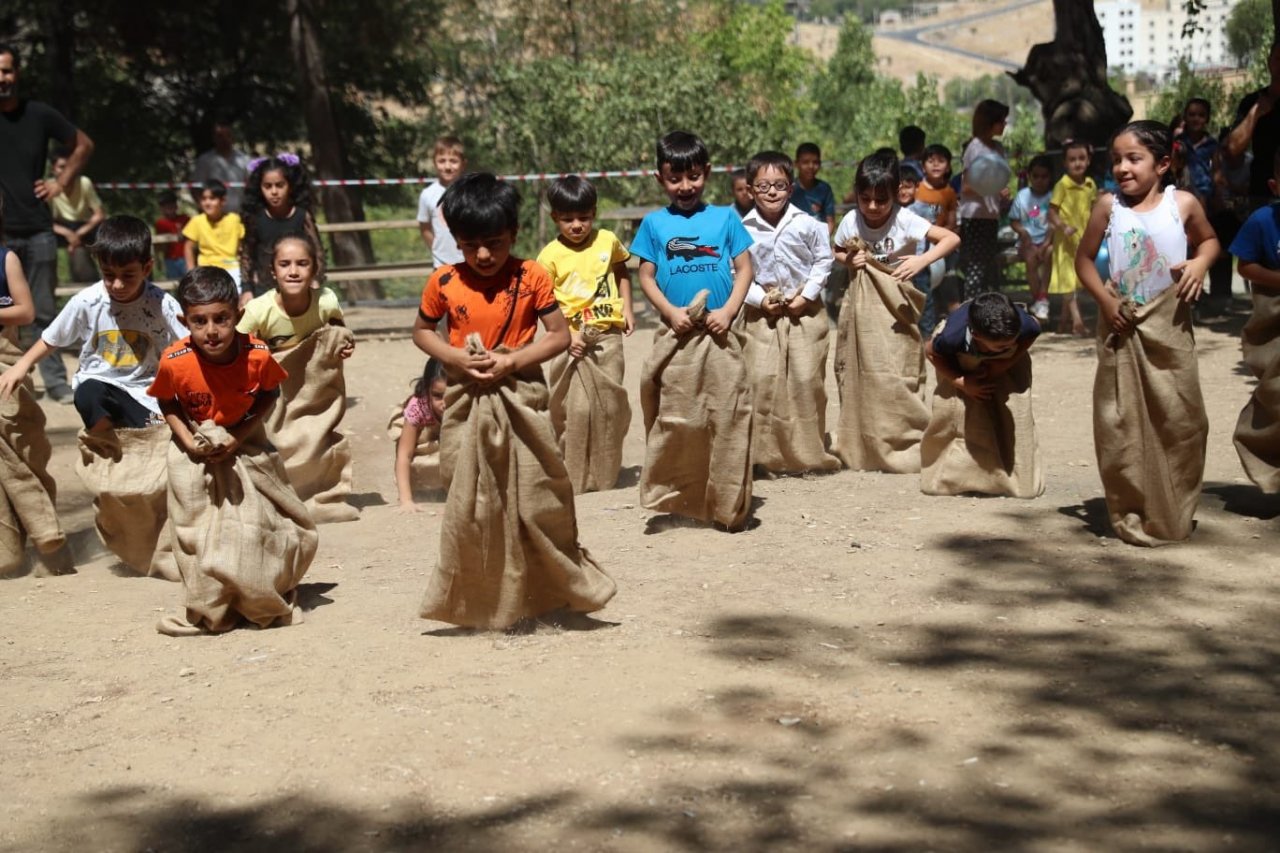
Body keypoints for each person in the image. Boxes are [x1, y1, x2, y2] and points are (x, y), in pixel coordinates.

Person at [413, 171, 614, 628]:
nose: (484, 255)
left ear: (515, 234)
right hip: (467, 398)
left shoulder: (532, 276)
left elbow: (559, 336)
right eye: (470, 245)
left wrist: (512, 361)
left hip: (523, 394)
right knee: (475, 503)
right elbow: (423, 332)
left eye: (496, 242)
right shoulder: (443, 282)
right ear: (454, 238)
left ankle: (552, 592)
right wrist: (457, 360)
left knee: (539, 495)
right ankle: (484, 603)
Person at [1075, 120, 1220, 546]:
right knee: (1120, 421)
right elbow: (1084, 261)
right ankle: (1130, 508)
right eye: (1116, 159)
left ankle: (1172, 510)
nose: (1122, 167)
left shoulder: (1184, 204)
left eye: (1133, 159)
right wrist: (1106, 303)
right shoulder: (1108, 207)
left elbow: (1209, 242)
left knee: (1181, 419)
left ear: (1163, 163)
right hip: (1121, 329)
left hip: (1170, 329)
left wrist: (1199, 263)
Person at [149, 266, 315, 635]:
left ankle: (260, 591)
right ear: (184, 320)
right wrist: (191, 443)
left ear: (238, 315)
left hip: (246, 442)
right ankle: (213, 605)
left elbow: (270, 393)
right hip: (192, 448)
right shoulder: (175, 361)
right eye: (200, 321)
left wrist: (237, 438)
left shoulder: (256, 354)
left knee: (259, 522)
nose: (211, 331)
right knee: (197, 529)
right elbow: (167, 402)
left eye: (221, 319)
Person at [631, 130, 755, 529]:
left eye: (694, 177)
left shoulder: (726, 218)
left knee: (728, 414)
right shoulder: (653, 225)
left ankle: (727, 503)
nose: (685, 186)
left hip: (721, 336)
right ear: (659, 178)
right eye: (674, 178)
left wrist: (730, 311)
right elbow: (645, 276)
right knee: (681, 417)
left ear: (707, 173)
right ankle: (682, 497)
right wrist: (669, 312)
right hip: (678, 337)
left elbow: (745, 269)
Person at [0, 215, 185, 431]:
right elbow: (52, 338)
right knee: (88, 393)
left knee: (157, 429)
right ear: (99, 266)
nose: (117, 284)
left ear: (146, 269)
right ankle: (102, 439)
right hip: (99, 381)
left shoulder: (163, 304)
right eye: (109, 275)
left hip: (145, 391)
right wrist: (21, 366)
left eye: (128, 276)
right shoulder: (87, 301)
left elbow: (188, 343)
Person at [0, 44, 94, 402]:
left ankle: (54, 382)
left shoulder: (37, 114)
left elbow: (83, 143)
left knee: (42, 310)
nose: (2, 78)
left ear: (17, 74)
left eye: (7, 70)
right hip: (0, 234)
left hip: (38, 228)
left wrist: (62, 181)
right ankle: (11, 379)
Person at [739, 149, 838, 474]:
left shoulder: (808, 224)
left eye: (779, 185)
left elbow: (824, 260)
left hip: (804, 313)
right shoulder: (741, 229)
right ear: (751, 189)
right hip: (761, 315)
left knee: (806, 379)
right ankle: (764, 456)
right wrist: (758, 299)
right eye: (763, 185)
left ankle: (807, 453)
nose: (771, 192)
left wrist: (807, 295)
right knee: (761, 379)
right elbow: (734, 271)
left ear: (791, 188)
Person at [1227, 147, 1280, 491]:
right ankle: (1268, 468)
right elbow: (1244, 265)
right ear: (1276, 186)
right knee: (1276, 393)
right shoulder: (1263, 220)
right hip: (1274, 324)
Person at [537, 175, 634, 350]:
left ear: (593, 213)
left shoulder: (607, 240)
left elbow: (621, 271)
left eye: (583, 218)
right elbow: (545, 301)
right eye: (567, 219)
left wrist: (627, 309)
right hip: (571, 336)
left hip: (609, 330)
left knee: (611, 377)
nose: (576, 225)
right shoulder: (548, 257)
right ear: (554, 217)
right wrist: (564, 334)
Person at [833, 150, 960, 278]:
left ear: (895, 192)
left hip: (899, 290)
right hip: (865, 291)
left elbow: (952, 239)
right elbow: (837, 251)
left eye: (881, 200)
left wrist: (922, 260)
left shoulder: (904, 219)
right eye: (865, 199)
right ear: (856, 192)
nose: (872, 206)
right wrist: (847, 260)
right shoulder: (851, 220)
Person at [237, 234, 350, 354]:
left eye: (302, 264)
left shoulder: (326, 302)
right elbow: (234, 348)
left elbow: (342, 335)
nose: (293, 272)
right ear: (273, 271)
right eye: (284, 264)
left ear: (314, 269)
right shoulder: (257, 310)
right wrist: (262, 349)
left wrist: (344, 346)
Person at [926, 291, 1041, 400]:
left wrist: (1008, 362)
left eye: (1013, 342)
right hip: (961, 354)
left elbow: (1035, 327)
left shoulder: (1023, 326)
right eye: (1002, 347)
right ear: (976, 336)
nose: (1010, 347)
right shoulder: (952, 338)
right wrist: (960, 382)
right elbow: (930, 351)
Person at [957, 99, 1011, 300]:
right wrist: (994, 190)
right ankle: (969, 310)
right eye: (1001, 120)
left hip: (991, 216)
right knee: (976, 266)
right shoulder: (975, 148)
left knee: (989, 265)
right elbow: (966, 186)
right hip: (975, 217)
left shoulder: (998, 148)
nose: (1004, 124)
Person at [1048, 140, 1096, 336]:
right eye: (1072, 159)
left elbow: (1094, 210)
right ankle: (1077, 322)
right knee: (1069, 280)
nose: (1077, 163)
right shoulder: (1062, 185)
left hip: (1083, 240)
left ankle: (1062, 324)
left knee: (1077, 280)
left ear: (1088, 160)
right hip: (1065, 242)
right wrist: (1063, 227)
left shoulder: (1091, 184)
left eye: (1081, 158)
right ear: (1065, 163)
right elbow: (1051, 212)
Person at [1226, 41, 1280, 213]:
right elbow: (1232, 149)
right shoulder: (1252, 102)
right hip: (1262, 196)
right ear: (1269, 62)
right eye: (1279, 58)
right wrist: (1256, 113)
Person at [393, 357, 446, 512]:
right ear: (427, 390)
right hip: (428, 435)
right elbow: (404, 454)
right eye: (437, 396)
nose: (445, 403)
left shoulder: (468, 403)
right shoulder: (419, 406)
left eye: (451, 395)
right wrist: (406, 501)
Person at [47, 149, 105, 283]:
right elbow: (43, 220)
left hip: (85, 227)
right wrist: (68, 233)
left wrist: (76, 235)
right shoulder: (48, 186)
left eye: (69, 166)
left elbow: (99, 214)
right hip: (59, 228)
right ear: (53, 169)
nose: (66, 171)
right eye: (62, 167)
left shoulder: (84, 182)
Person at [1009, 155, 1055, 322]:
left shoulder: (1054, 196)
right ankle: (1039, 300)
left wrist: (1047, 242)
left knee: (1050, 253)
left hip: (1048, 240)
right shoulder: (1022, 196)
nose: (1039, 180)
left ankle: (1042, 298)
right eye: (1035, 176)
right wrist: (1023, 232)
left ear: (1050, 177)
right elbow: (1014, 221)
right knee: (1031, 259)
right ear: (1029, 176)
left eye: (1044, 176)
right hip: (1027, 242)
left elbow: (1054, 223)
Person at [182, 179, 244, 293]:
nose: (207, 203)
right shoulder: (197, 221)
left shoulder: (234, 219)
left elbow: (242, 247)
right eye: (204, 199)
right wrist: (190, 272)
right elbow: (188, 247)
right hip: (206, 268)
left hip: (232, 267)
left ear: (223, 201)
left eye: (212, 198)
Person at [416, 135, 465, 268]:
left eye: (453, 161)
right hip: (441, 266)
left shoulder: (471, 191)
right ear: (434, 163)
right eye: (442, 161)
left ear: (463, 163)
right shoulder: (427, 195)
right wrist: (437, 252)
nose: (448, 166)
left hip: (471, 263)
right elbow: (425, 228)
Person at [191, 123, 252, 212]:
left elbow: (251, 187)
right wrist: (202, 207)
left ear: (232, 137)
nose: (224, 139)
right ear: (214, 138)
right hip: (213, 218)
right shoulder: (205, 160)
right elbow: (196, 187)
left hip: (239, 215)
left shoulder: (244, 160)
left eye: (227, 135)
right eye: (220, 136)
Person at [790, 142, 836, 235]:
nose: (811, 166)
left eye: (815, 162)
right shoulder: (789, 189)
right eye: (805, 162)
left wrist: (823, 242)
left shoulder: (825, 189)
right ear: (796, 164)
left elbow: (830, 221)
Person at [153, 191, 189, 282]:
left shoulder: (185, 219)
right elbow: (159, 244)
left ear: (176, 205)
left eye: (171, 205)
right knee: (173, 283)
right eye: (165, 206)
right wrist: (158, 260)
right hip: (170, 260)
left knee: (188, 282)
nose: (169, 208)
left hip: (186, 258)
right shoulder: (160, 223)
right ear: (161, 208)